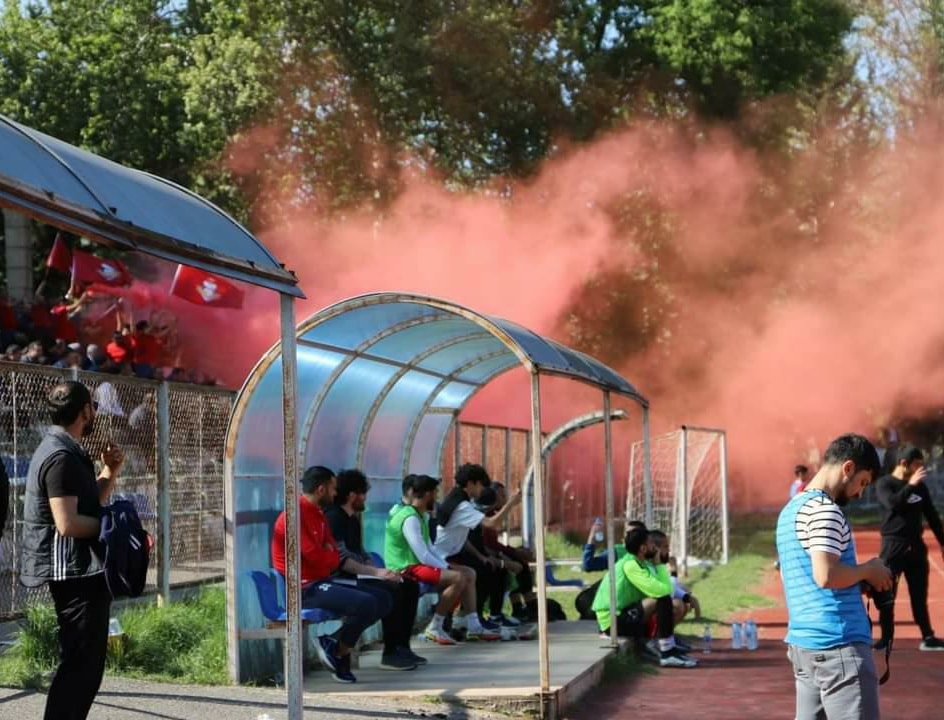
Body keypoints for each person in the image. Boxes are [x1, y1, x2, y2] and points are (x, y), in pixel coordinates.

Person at [20, 381, 124, 720]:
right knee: (79, 668)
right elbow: (67, 523)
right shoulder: (61, 456)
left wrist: (109, 471)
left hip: (82, 572)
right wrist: (116, 529)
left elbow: (86, 506)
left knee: (85, 668)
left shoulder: (66, 449)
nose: (94, 412)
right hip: (75, 575)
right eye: (92, 405)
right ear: (84, 411)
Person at [777, 433, 892, 720]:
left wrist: (857, 582)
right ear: (848, 468)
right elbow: (825, 576)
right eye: (863, 482)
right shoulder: (826, 511)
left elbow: (805, 576)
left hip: (805, 648)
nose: (860, 493)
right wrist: (869, 570)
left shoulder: (790, 511)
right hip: (839, 648)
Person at [270, 465, 391, 684]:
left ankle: (334, 645)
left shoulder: (318, 514)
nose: (337, 494)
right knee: (366, 603)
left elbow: (332, 552)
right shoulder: (294, 516)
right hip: (304, 588)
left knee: (383, 598)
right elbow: (315, 555)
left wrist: (326, 554)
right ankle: (338, 653)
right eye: (334, 489)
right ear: (321, 489)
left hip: (321, 580)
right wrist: (326, 555)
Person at [325, 468, 423, 670]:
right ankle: (390, 652)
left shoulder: (351, 518)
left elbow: (359, 551)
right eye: (363, 494)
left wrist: (380, 570)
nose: (365, 499)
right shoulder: (334, 517)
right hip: (337, 578)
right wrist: (376, 573)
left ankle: (401, 647)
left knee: (408, 585)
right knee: (390, 591)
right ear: (353, 495)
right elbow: (340, 558)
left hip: (352, 575)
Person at [383, 474, 487, 643]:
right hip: (406, 567)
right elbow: (422, 555)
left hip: (416, 564)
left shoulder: (420, 515)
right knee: (458, 578)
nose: (437, 498)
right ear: (426, 495)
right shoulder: (409, 518)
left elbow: (430, 548)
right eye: (434, 493)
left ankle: (473, 625)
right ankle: (435, 626)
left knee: (468, 572)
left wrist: (446, 565)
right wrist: (447, 568)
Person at [591, 524, 697, 667]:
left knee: (664, 598)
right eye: (652, 544)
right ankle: (666, 652)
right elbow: (663, 592)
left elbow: (664, 588)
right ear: (643, 548)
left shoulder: (641, 563)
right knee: (662, 598)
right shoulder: (630, 565)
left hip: (625, 613)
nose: (655, 547)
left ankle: (667, 648)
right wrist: (660, 565)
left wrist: (660, 566)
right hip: (612, 622)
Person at [433, 463, 519, 638]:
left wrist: (480, 556)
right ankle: (436, 625)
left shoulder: (460, 500)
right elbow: (492, 523)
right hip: (437, 558)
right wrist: (511, 503)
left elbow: (459, 536)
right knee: (466, 575)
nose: (481, 490)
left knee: (472, 572)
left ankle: (473, 624)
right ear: (471, 483)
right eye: (480, 485)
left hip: (448, 555)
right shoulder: (461, 506)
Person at [874, 445, 944, 652]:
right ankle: (886, 638)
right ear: (903, 464)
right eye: (917, 465)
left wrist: (942, 541)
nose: (921, 469)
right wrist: (911, 485)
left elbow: (931, 515)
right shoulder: (884, 484)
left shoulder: (920, 487)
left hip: (916, 548)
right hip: (892, 548)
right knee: (887, 596)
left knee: (919, 595)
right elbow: (893, 504)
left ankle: (928, 636)